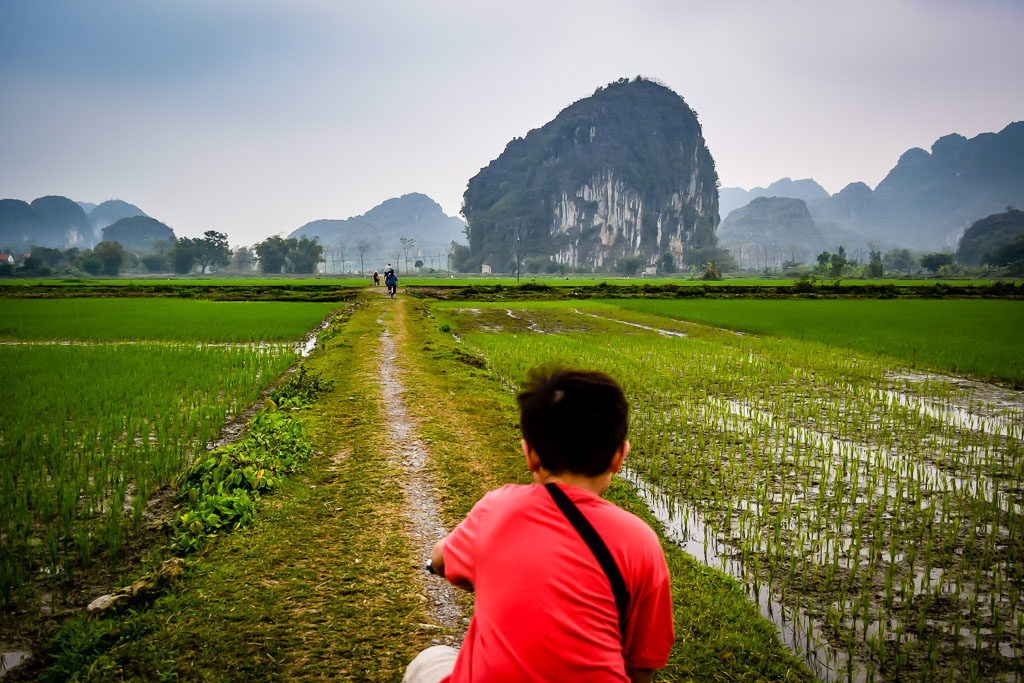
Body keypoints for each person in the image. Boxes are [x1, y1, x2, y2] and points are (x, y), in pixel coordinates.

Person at [405, 367, 674, 683]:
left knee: (430, 660)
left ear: (530, 455)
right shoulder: (640, 540)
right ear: (619, 457)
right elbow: (641, 667)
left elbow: (442, 558)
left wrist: (435, 565)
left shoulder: (495, 508)